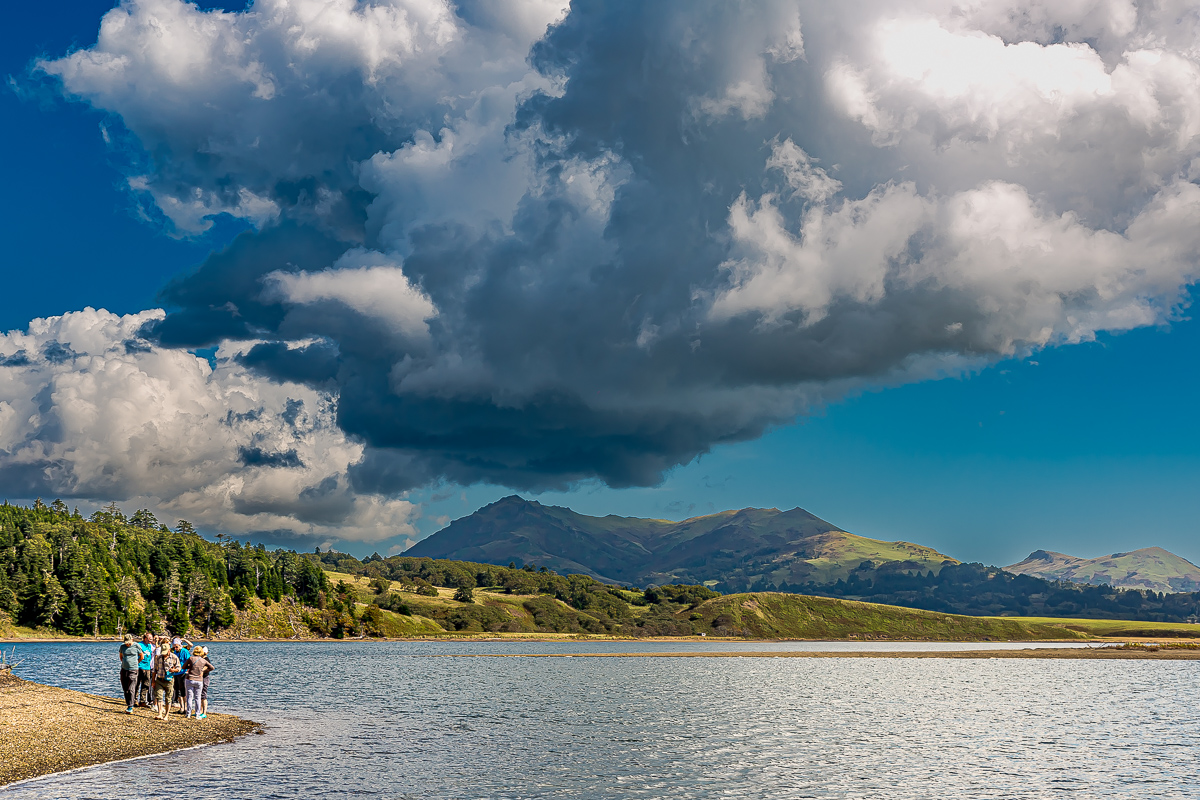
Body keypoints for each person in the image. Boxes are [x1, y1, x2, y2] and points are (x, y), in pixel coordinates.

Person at [181, 645, 213, 720]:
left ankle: (188, 713)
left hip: (190, 679)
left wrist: (191, 667)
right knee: (198, 698)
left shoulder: (191, 658)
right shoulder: (203, 660)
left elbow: (183, 667)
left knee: (189, 697)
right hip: (199, 680)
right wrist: (203, 670)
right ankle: (198, 714)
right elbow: (212, 667)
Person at [151, 642, 181, 722]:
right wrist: (153, 681)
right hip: (159, 680)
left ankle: (166, 715)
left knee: (168, 698)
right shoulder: (159, 657)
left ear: (169, 650)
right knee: (159, 697)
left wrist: (173, 670)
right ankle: (160, 713)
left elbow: (179, 668)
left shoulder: (174, 657)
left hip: (169, 680)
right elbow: (155, 670)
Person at [118, 634, 141, 713]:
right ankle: (128, 703)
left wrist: (135, 663)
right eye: (126, 643)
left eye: (129, 643)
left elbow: (141, 656)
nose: (128, 644)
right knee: (125, 688)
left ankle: (131, 706)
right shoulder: (122, 646)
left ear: (132, 640)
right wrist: (125, 663)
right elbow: (121, 656)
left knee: (131, 688)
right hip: (124, 669)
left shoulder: (136, 646)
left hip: (133, 670)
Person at [171, 637, 193, 713]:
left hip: (183, 673)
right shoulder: (174, 652)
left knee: (184, 690)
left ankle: (186, 707)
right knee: (177, 690)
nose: (175, 648)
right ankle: (182, 707)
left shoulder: (185, 651)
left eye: (176, 646)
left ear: (180, 645)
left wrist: (188, 671)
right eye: (174, 647)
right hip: (176, 673)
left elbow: (189, 661)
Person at [134, 632, 154, 708]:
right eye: (149, 639)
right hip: (140, 667)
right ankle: (134, 700)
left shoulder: (149, 645)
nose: (151, 640)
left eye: (151, 639)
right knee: (137, 684)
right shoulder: (139, 645)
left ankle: (142, 701)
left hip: (147, 668)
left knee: (146, 685)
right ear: (145, 638)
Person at [198, 646, 214, 718]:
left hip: (205, 678)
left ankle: (204, 712)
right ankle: (200, 711)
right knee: (200, 695)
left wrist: (202, 671)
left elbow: (209, 668)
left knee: (203, 695)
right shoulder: (201, 659)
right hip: (200, 678)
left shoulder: (206, 659)